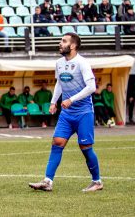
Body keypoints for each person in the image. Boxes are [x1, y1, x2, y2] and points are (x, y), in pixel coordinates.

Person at [29, 33, 103, 192]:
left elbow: (91, 88)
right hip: (67, 114)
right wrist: (53, 102)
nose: (60, 43)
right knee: (57, 143)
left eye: (64, 41)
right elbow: (60, 83)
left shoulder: (82, 63)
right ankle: (47, 181)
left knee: (85, 147)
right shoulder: (59, 63)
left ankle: (97, 182)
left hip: (84, 112)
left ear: (73, 46)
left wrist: (71, 100)